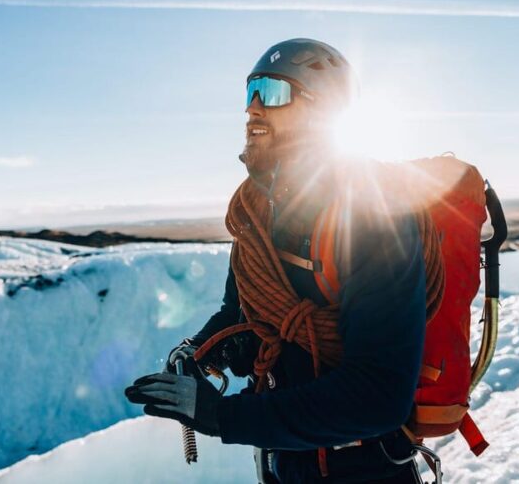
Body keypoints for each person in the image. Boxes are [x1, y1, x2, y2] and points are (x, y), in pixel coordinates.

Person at [125, 38, 427, 483]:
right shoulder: (257, 215)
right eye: (249, 92)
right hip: (283, 463)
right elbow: (241, 312)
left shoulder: (374, 217)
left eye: (272, 92)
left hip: (364, 469)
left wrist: (223, 417)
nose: (252, 108)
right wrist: (203, 351)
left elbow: (378, 395)